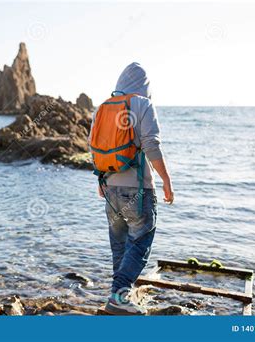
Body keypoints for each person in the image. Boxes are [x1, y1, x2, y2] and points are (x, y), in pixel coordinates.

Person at [88, 62, 174, 315]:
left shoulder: (103, 108)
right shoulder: (143, 104)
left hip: (109, 187)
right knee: (140, 240)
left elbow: (94, 147)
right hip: (137, 189)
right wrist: (166, 180)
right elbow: (151, 145)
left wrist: (99, 181)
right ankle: (119, 295)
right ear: (144, 86)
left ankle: (119, 298)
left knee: (120, 243)